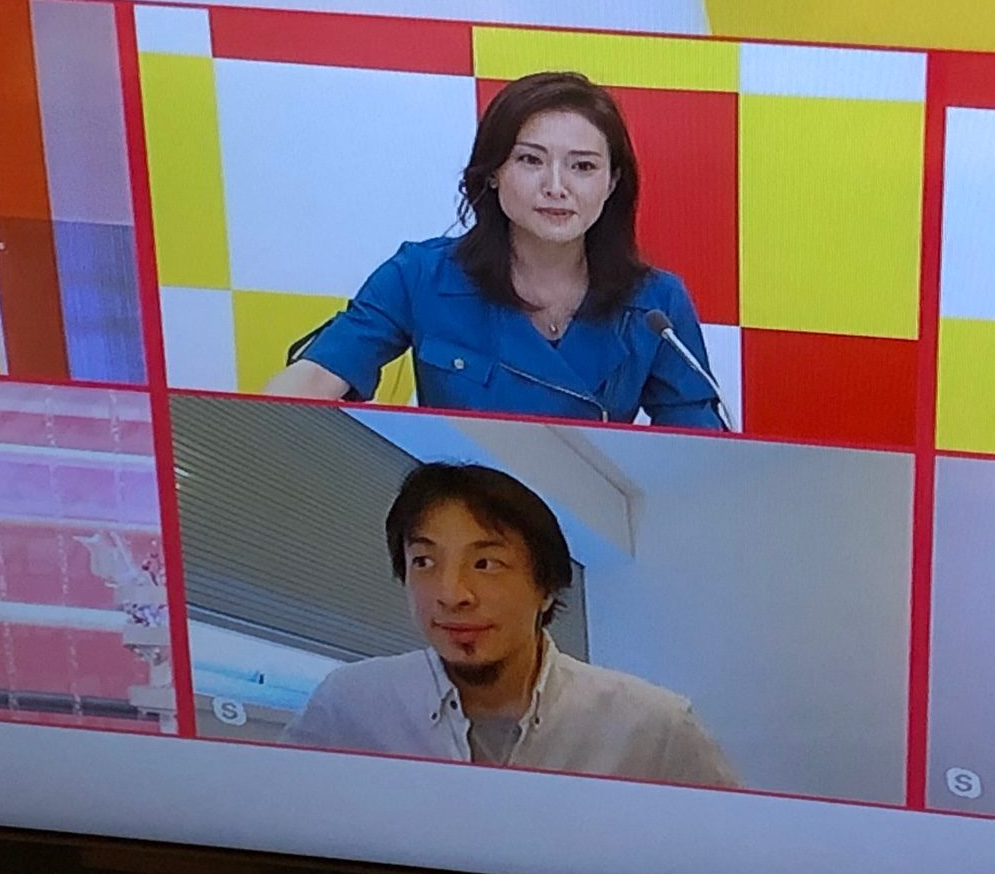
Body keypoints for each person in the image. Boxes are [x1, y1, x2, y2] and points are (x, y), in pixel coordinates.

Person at [264, 72, 725, 429]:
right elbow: (314, 380)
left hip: (593, 520)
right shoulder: (419, 276)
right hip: (459, 515)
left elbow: (698, 454)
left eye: (582, 166)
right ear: (493, 173)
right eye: (530, 160)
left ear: (612, 183)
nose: (556, 187)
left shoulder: (656, 304)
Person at [286, 462, 738, 787]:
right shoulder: (347, 706)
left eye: (485, 563)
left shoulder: (655, 728)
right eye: (424, 561)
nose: (451, 594)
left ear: (546, 589)